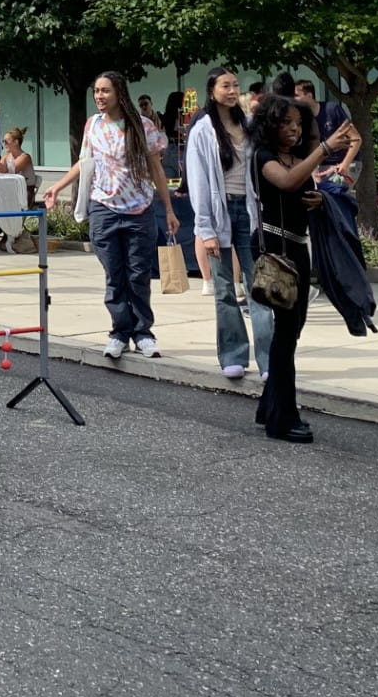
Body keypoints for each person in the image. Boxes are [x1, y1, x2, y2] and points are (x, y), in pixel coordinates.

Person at [42, 72, 179, 360]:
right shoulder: (92, 125)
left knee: (139, 275)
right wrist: (56, 186)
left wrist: (167, 208)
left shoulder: (142, 126)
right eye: (96, 92)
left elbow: (156, 168)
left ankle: (143, 333)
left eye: (105, 91)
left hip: (138, 211)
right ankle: (119, 332)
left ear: (119, 93)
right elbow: (84, 163)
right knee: (114, 276)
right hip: (103, 209)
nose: (99, 97)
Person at [253, 92, 354, 443]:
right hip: (277, 250)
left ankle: (270, 406)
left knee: (291, 333)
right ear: (270, 125)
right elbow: (285, 181)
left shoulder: (294, 156)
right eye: (286, 123)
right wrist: (324, 149)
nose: (294, 130)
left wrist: (320, 198)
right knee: (285, 335)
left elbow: (301, 187)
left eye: (298, 123)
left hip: (297, 248)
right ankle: (282, 419)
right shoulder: (263, 156)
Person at [185, 67, 271, 380]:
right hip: (219, 216)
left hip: (248, 213)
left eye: (236, 85)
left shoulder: (248, 126)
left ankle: (268, 360)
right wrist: (206, 230)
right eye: (226, 85)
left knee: (258, 288)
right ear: (212, 91)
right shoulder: (203, 131)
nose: (233, 90)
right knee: (224, 291)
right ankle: (233, 355)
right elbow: (198, 184)